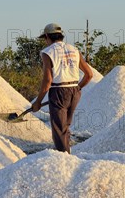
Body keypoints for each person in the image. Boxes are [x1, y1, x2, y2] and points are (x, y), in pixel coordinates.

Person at [31, 23, 93, 153]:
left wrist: (37, 102)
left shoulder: (47, 52)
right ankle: (67, 155)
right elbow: (89, 75)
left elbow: (48, 80)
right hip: (74, 90)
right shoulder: (74, 50)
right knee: (65, 127)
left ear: (47, 36)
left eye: (45, 38)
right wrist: (77, 89)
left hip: (58, 91)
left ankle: (63, 160)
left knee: (59, 130)